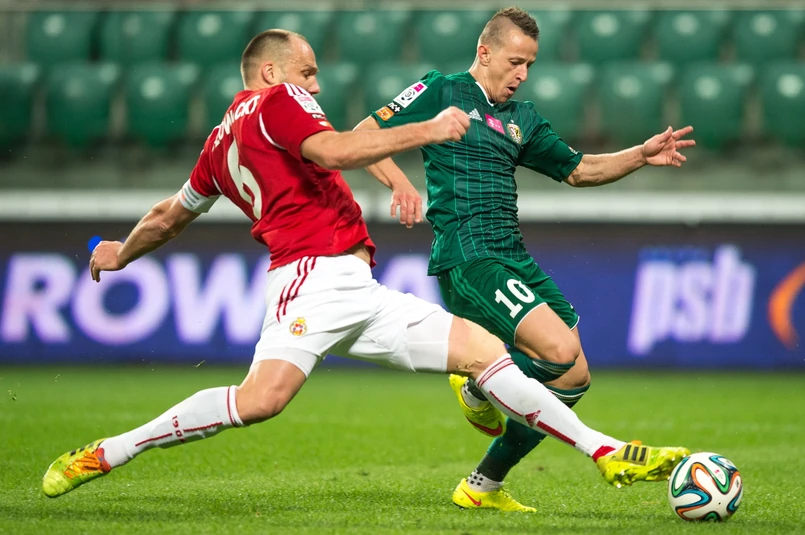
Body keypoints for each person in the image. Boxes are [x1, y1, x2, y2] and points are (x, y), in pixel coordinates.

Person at [42, 29, 688, 501]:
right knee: (260, 400)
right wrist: (427, 130)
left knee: (484, 354)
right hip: (311, 280)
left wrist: (120, 251)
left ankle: (604, 451)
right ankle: (109, 451)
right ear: (269, 72)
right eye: (307, 72)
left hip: (355, 285)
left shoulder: (218, 142)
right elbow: (334, 149)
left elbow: (170, 215)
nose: (315, 86)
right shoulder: (278, 102)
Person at [354, 7, 696, 512]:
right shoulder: (441, 90)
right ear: (484, 52)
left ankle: (483, 485)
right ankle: (477, 380)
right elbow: (363, 134)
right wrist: (401, 183)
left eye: (530, 65)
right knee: (557, 351)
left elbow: (579, 170)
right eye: (516, 62)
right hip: (469, 256)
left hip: (513, 255)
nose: (523, 74)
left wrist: (640, 155)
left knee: (573, 377)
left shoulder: (523, 119)